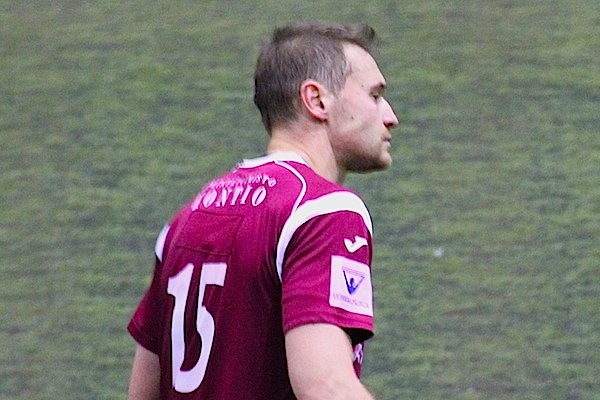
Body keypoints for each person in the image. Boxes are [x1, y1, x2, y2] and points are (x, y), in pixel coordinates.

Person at [127, 21, 399, 400]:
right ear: (317, 100)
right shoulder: (323, 211)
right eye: (374, 95)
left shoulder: (186, 219)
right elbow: (325, 385)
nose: (390, 116)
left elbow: (143, 393)